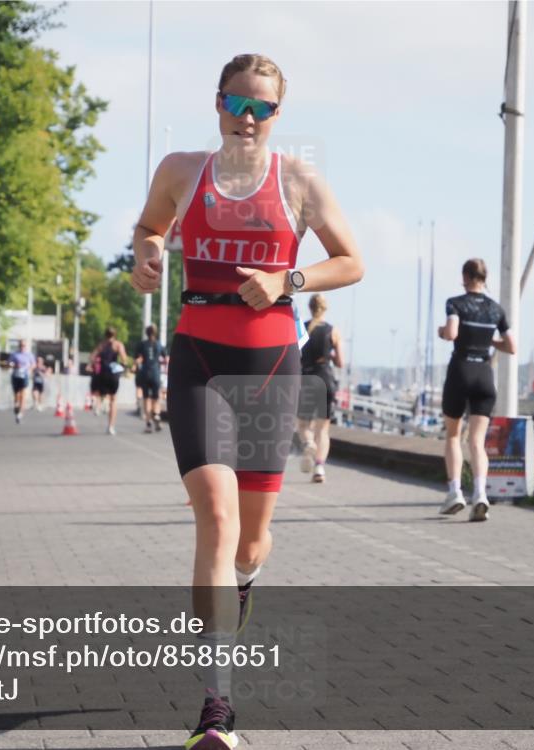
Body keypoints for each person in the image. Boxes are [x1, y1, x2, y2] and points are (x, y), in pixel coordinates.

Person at [130, 53, 363, 750]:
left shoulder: (298, 179)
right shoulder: (180, 170)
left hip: (269, 366)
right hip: (198, 356)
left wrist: (288, 279)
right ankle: (217, 705)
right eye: (238, 104)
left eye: (262, 108)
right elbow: (148, 227)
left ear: (277, 116)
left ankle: (246, 584)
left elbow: (351, 260)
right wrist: (145, 256)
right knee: (216, 519)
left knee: (251, 542)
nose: (248, 119)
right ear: (218, 103)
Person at [437, 258, 516, 521]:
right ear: (485, 277)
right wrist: (487, 339)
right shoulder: (496, 310)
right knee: (477, 442)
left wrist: (442, 332)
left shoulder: (455, 303)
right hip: (484, 374)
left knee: (452, 436)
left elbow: (452, 333)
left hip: (461, 370)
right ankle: (480, 493)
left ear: (465, 276)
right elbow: (511, 346)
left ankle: (454, 492)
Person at [296, 294, 344, 483]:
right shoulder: (332, 331)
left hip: (305, 379)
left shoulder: (301, 329)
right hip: (324, 379)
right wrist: (329, 356)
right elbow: (340, 362)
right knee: (323, 430)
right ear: (325, 308)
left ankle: (308, 443)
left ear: (310, 307)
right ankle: (319, 468)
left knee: (303, 425)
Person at [89, 327, 127, 435]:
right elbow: (124, 359)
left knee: (100, 393)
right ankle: (111, 426)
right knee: (114, 400)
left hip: (102, 373)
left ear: (105, 335)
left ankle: (100, 405)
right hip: (113, 374)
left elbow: (92, 357)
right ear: (115, 335)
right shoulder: (118, 345)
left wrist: (94, 365)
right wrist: (122, 367)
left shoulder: (101, 345)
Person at [135, 324, 169, 433]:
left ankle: (148, 423)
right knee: (156, 397)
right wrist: (160, 362)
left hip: (145, 373)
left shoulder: (142, 344)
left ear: (146, 333)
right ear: (156, 333)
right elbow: (167, 359)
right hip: (155, 373)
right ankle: (157, 415)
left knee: (146, 398)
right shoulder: (159, 345)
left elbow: (138, 359)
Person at [8, 340, 36, 424]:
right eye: (21, 345)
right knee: (17, 394)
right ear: (18, 346)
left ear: (26, 346)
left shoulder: (29, 355)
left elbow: (33, 364)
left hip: (25, 376)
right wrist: (14, 365)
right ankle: (16, 405)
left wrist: (29, 369)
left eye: (24, 345)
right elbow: (9, 363)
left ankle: (20, 413)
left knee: (23, 394)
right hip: (16, 375)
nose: (22, 347)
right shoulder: (15, 354)